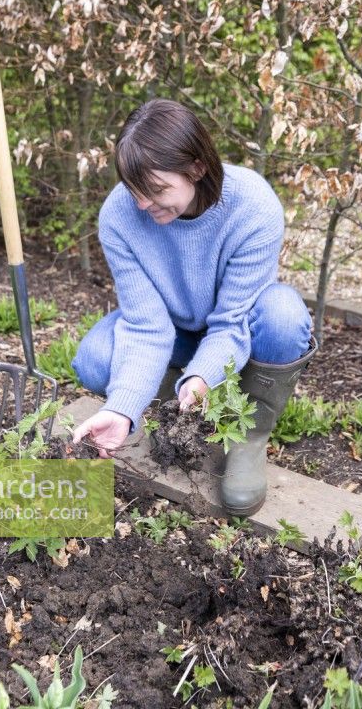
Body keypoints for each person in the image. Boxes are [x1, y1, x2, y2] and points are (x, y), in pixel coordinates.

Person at [71, 99, 317, 516]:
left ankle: (246, 431)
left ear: (198, 168)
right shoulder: (119, 216)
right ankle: (186, 404)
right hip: (170, 329)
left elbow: (231, 323)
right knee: (94, 362)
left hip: (239, 329)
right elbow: (146, 327)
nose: (143, 205)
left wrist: (205, 372)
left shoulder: (253, 207)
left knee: (285, 317)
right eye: (135, 190)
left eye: (157, 190)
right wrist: (122, 409)